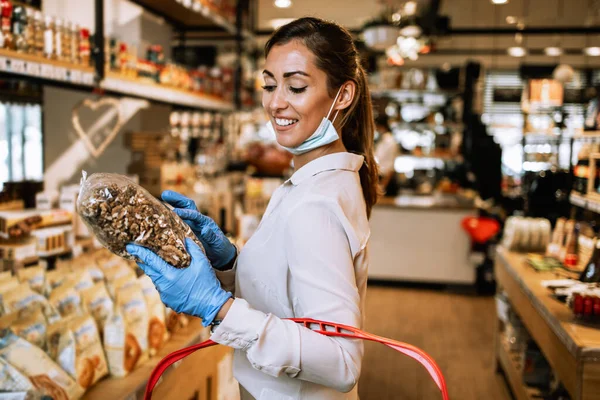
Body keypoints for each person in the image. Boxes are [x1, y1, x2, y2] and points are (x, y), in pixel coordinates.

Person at [126, 17, 380, 400]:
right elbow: (288, 298)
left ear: (342, 96)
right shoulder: (312, 182)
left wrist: (219, 307)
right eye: (269, 84)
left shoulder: (317, 203)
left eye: (295, 87)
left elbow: (341, 361)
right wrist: (231, 265)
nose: (276, 102)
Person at [374, 114, 399, 197]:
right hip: (380, 178)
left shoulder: (390, 141)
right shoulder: (382, 140)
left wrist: (383, 185)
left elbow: (390, 166)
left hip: (387, 180)